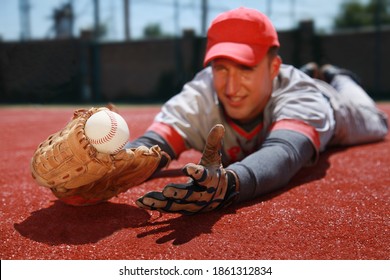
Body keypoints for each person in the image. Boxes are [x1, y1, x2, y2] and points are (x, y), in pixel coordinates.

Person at [129, 7, 388, 214]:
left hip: (331, 105)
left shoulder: (301, 96)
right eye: (221, 68)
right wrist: (118, 163)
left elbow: (284, 152)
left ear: (274, 67)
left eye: (246, 68)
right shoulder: (199, 94)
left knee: (378, 122)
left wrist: (230, 184)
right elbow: (152, 145)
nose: (231, 87)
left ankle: (337, 76)